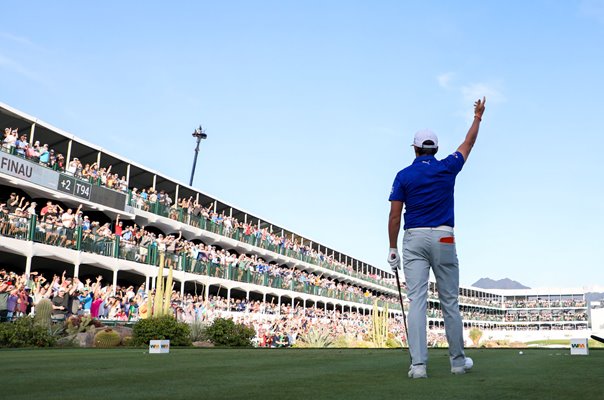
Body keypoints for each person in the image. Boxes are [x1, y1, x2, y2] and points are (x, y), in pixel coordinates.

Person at [387, 97, 486, 379]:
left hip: (414, 238)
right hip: (444, 237)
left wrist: (392, 248)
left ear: (415, 149)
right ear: (436, 149)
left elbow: (395, 216)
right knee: (449, 301)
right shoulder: (447, 167)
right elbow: (468, 144)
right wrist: (477, 117)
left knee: (417, 301)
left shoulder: (403, 175)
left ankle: (418, 366)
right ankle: (457, 362)